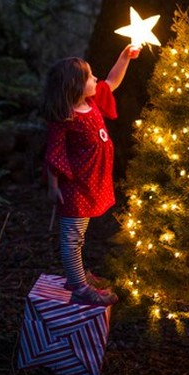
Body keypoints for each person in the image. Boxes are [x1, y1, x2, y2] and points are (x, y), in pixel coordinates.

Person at [41, 45, 140, 306]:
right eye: (89, 77)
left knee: (79, 236)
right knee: (72, 238)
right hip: (76, 186)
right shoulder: (65, 118)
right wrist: (53, 187)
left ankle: (78, 275)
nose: (95, 79)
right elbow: (53, 154)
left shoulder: (92, 101)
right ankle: (78, 287)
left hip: (93, 182)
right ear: (73, 86)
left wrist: (124, 56)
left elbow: (112, 80)